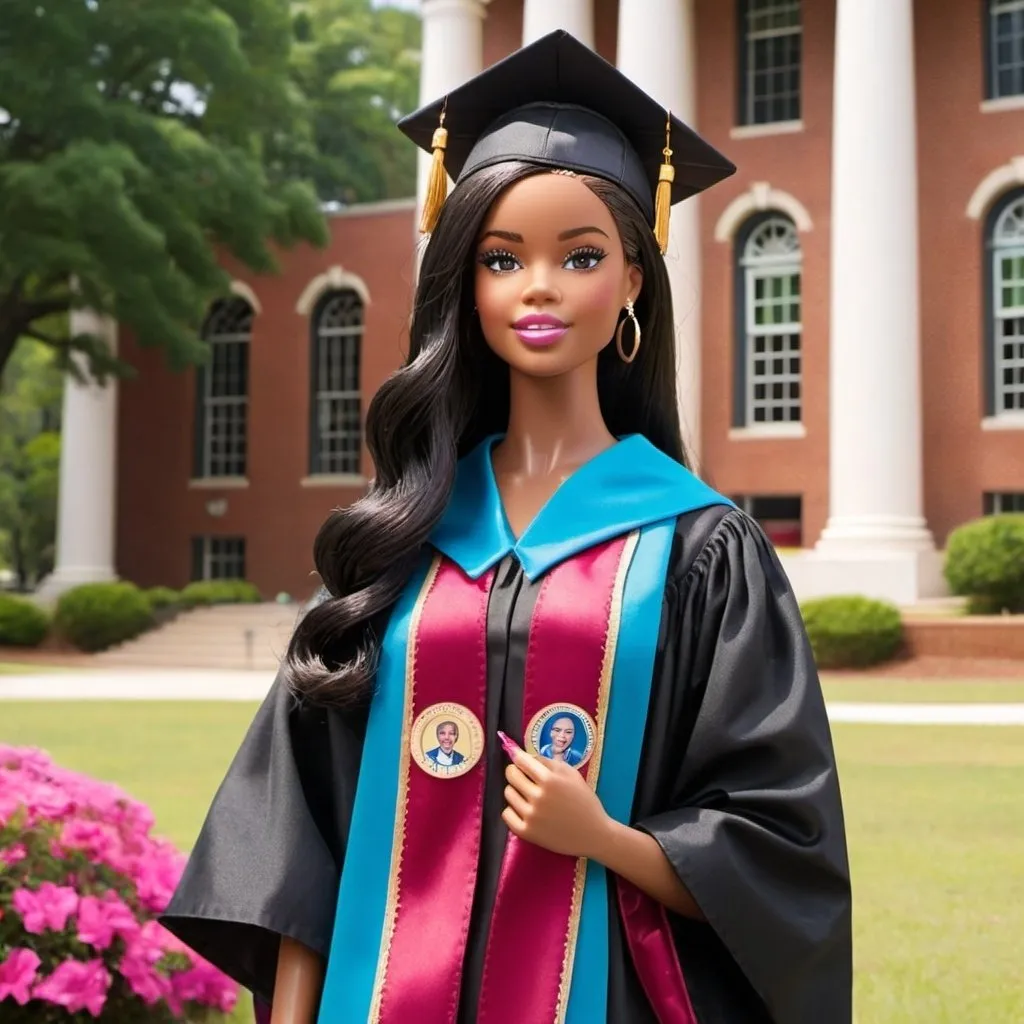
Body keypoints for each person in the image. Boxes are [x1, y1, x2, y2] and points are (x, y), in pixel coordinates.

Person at [161, 31, 852, 1024]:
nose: (537, 286)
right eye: (501, 257)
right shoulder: (400, 539)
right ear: (465, 284)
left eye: (579, 255)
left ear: (630, 286)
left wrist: (605, 836)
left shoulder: (699, 551)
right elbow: (300, 835)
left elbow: (778, 842)